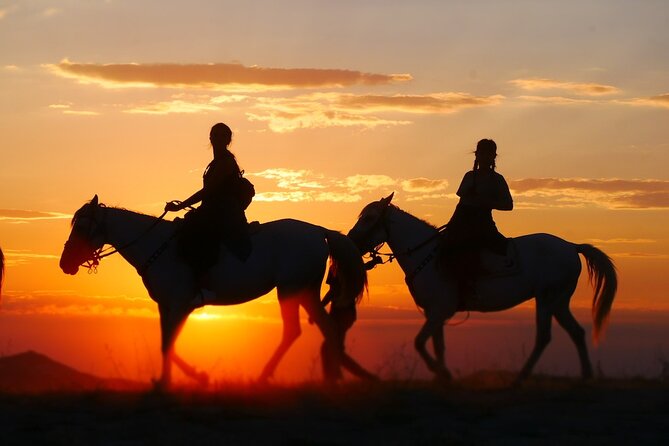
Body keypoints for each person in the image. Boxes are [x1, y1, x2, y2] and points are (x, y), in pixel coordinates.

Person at [165, 123, 253, 286]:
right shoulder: (215, 162)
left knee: (196, 233)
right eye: (215, 135)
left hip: (224, 213)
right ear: (210, 138)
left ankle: (204, 280)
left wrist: (180, 205)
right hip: (213, 210)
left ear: (228, 139)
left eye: (222, 135)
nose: (218, 138)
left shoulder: (225, 162)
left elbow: (207, 191)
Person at [440, 138, 513, 298]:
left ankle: (472, 286)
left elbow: (508, 204)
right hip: (461, 220)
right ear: (477, 155)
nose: (484, 157)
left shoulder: (497, 179)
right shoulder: (469, 176)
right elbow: (462, 198)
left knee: (477, 248)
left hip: (482, 223)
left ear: (493, 156)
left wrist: (486, 202)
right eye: (481, 153)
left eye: (488, 154)